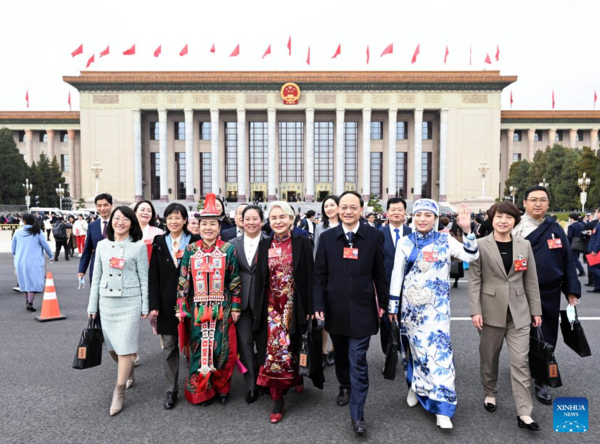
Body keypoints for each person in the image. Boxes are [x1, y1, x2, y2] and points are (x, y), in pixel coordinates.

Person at [388, 199, 479, 430]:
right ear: (413, 216)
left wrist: (467, 231)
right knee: (416, 352)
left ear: (435, 218)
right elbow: (397, 275)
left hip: (437, 312)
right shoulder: (406, 242)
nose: (422, 219)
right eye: (419, 214)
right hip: (411, 310)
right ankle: (415, 387)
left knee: (440, 356)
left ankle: (443, 408)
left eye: (428, 215)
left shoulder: (445, 240)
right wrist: (392, 307)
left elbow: (471, 256)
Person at [313, 191, 388, 436]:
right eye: (343, 206)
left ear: (361, 209)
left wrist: (384, 303)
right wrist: (318, 303)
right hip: (335, 309)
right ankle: (344, 385)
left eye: (352, 207)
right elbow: (319, 275)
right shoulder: (326, 238)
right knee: (342, 356)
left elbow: (379, 273)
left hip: (363, 309)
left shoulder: (374, 236)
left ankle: (358, 416)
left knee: (358, 360)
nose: (347, 211)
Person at [469, 201, 543, 431]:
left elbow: (530, 280)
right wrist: (475, 310)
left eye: (509, 217)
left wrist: (536, 310)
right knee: (489, 358)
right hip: (490, 311)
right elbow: (474, 280)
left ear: (515, 221)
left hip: (519, 312)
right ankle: (490, 392)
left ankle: (524, 413)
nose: (503, 221)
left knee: (521, 362)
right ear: (491, 219)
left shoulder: (525, 245)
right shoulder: (480, 244)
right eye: (499, 216)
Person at [512, 186, 581, 405]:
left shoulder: (555, 228)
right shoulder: (516, 228)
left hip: (549, 292)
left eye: (543, 200)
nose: (538, 204)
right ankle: (525, 368)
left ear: (548, 204)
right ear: (524, 203)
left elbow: (567, 260)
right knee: (524, 335)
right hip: (520, 292)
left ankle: (541, 378)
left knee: (546, 336)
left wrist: (571, 291)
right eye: (533, 200)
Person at [175, 194, 241, 406]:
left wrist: (237, 307)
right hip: (197, 308)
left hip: (223, 307)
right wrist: (180, 307)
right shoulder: (190, 251)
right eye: (204, 224)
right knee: (198, 349)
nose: (208, 228)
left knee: (222, 349)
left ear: (219, 226)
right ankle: (201, 390)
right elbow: (183, 280)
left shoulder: (228, 249)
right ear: (199, 226)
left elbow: (234, 280)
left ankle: (222, 387)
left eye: (213, 223)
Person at [254, 201, 316, 423]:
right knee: (273, 353)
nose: (278, 221)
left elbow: (310, 277)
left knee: (295, 345)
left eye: (282, 217)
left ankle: (297, 376)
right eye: (274, 218)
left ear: (291, 219)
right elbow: (260, 280)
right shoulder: (264, 245)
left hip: (293, 305)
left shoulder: (303, 242)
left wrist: (310, 307)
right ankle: (277, 397)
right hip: (271, 309)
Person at [87, 206, 149, 416]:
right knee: (114, 349)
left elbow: (144, 279)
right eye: (116, 218)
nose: (120, 222)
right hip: (107, 302)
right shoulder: (102, 245)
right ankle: (129, 370)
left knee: (124, 348)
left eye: (125, 219)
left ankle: (119, 390)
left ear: (132, 223)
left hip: (130, 301)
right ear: (111, 221)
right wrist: (92, 306)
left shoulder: (138, 247)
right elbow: (96, 277)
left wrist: (145, 305)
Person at [149, 203, 200, 410]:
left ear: (185, 220)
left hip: (194, 303)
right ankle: (171, 390)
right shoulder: (159, 242)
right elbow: (154, 276)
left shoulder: (195, 242)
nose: (173, 221)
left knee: (194, 346)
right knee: (170, 347)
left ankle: (196, 386)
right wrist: (153, 305)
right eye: (170, 217)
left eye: (178, 217)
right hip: (167, 303)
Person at [228, 205, 268, 404]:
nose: (251, 222)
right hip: (240, 303)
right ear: (241, 222)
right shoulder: (231, 244)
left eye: (255, 218)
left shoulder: (270, 242)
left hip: (264, 301)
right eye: (247, 219)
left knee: (263, 345)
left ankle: (264, 380)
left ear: (262, 220)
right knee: (244, 345)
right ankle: (251, 386)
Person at [379, 197, 412, 361]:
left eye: (400, 209)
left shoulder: (413, 233)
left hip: (409, 287)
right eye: (393, 209)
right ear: (387, 213)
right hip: (385, 285)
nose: (396, 212)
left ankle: (406, 351)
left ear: (405, 212)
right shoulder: (379, 233)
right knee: (386, 322)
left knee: (406, 320)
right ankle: (389, 352)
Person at [313, 195, 340, 368]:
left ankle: (334, 349)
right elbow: (316, 252)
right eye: (326, 206)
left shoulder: (346, 226)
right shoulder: (320, 227)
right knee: (322, 316)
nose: (329, 208)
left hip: (341, 276)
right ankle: (323, 350)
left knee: (338, 315)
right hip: (325, 276)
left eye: (332, 205)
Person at [12, 213, 54, 312]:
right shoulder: (38, 232)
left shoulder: (17, 232)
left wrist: (16, 256)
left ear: (24, 221)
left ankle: (27, 301)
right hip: (34, 261)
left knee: (24, 282)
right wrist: (51, 256)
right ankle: (30, 303)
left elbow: (13, 248)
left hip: (20, 261)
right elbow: (45, 245)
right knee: (33, 282)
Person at [78, 193, 114, 282]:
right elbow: (87, 249)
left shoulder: (118, 224)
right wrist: (82, 270)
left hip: (114, 267)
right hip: (96, 267)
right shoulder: (92, 226)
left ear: (111, 205)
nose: (102, 208)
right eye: (99, 206)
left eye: (105, 205)